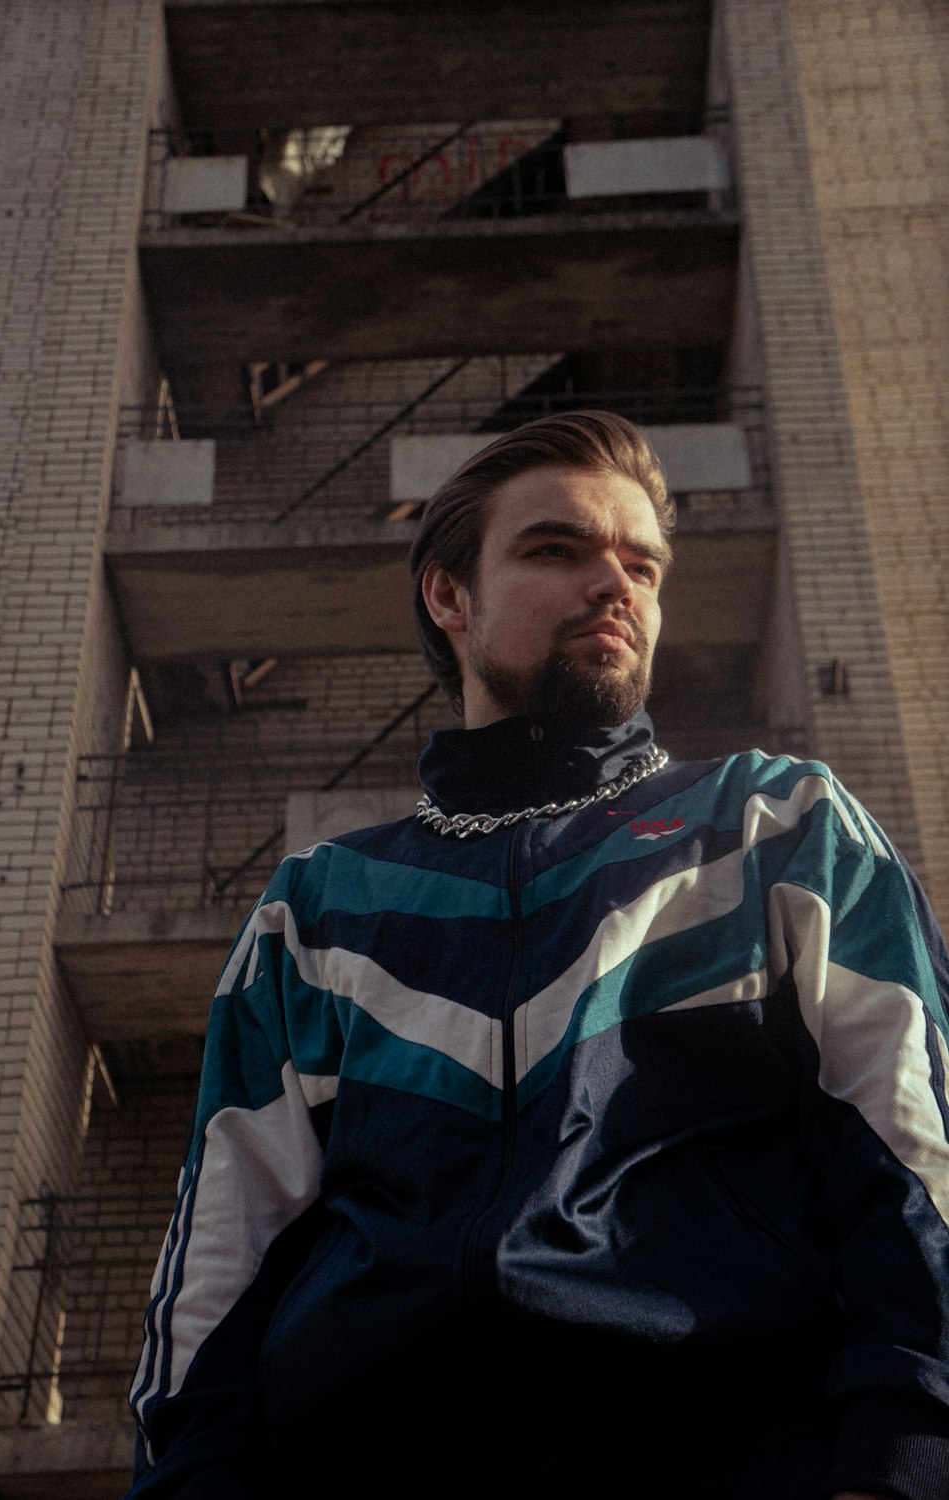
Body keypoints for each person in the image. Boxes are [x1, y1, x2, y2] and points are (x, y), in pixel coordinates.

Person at [126, 412, 949, 1499]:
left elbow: (912, 1152)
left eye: (640, 564)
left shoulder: (777, 826)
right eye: (556, 550)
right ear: (448, 595)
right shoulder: (316, 909)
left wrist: (902, 1457)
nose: (614, 583)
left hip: (732, 1450)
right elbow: (224, 1256)